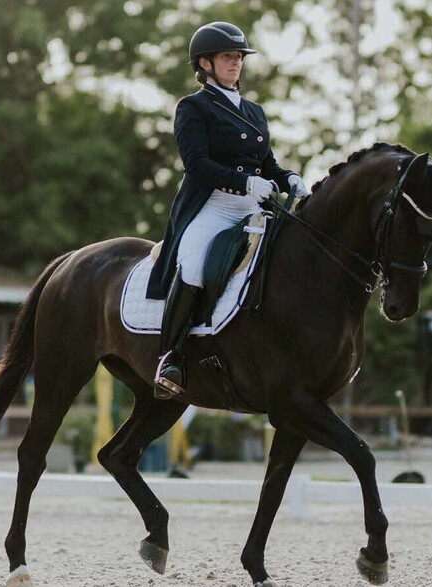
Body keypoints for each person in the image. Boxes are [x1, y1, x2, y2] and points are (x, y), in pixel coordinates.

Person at [146, 21, 309, 399]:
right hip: (213, 206)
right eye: (227, 57)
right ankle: (170, 357)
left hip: (255, 207)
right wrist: (244, 183)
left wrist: (289, 178)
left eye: (238, 57)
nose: (235, 63)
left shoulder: (254, 112)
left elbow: (267, 165)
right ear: (204, 64)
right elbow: (197, 164)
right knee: (194, 263)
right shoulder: (193, 107)